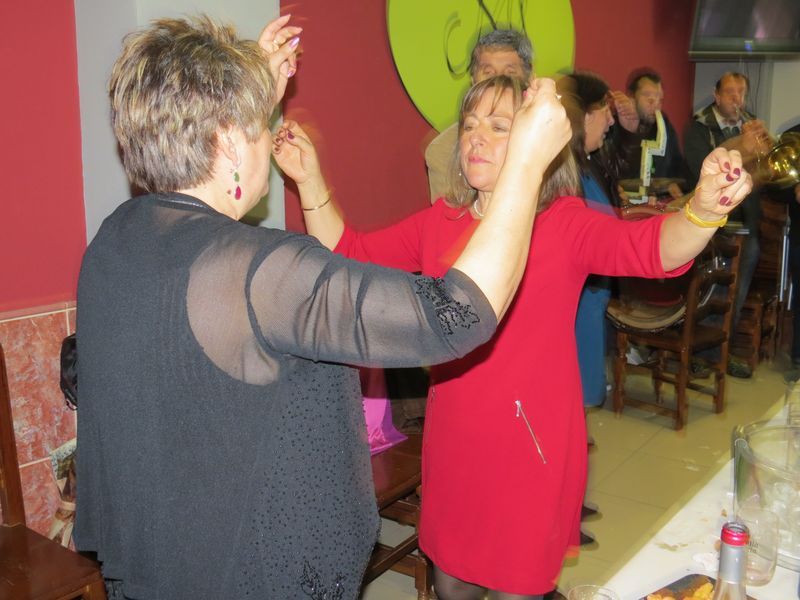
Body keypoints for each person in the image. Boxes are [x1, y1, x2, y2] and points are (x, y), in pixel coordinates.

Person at [73, 16, 573, 600]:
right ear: (229, 141)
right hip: (249, 578)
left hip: (158, 563)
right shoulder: (263, 272)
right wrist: (526, 165)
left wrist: (250, 88)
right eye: (258, 124)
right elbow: (458, 315)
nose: (268, 135)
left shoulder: (116, 240)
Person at [273, 74, 753, 599]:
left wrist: (704, 210)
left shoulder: (562, 223)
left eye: (499, 126)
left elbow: (652, 249)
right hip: (455, 441)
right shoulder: (441, 220)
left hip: (530, 448)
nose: (476, 137)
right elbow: (351, 255)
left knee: (517, 589)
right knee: (452, 585)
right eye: (470, 124)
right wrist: (309, 180)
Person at [683, 71, 771, 377]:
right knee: (707, 293)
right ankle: (696, 352)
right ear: (716, 96)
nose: (737, 98)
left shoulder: (752, 125)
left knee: (735, 295)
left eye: (741, 92)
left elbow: (762, 179)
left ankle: (722, 353)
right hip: (711, 226)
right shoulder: (699, 127)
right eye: (730, 92)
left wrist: (765, 152)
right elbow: (701, 168)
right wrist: (742, 146)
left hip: (747, 225)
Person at [425, 28, 532, 202]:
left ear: (530, 81)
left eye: (509, 74)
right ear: (473, 81)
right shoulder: (444, 151)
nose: (498, 83)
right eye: (488, 73)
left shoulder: (550, 137)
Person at [619, 69, 689, 200]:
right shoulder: (615, 126)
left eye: (660, 100)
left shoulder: (663, 125)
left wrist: (675, 184)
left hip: (657, 202)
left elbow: (677, 166)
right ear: (631, 97)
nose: (656, 105)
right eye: (649, 99)